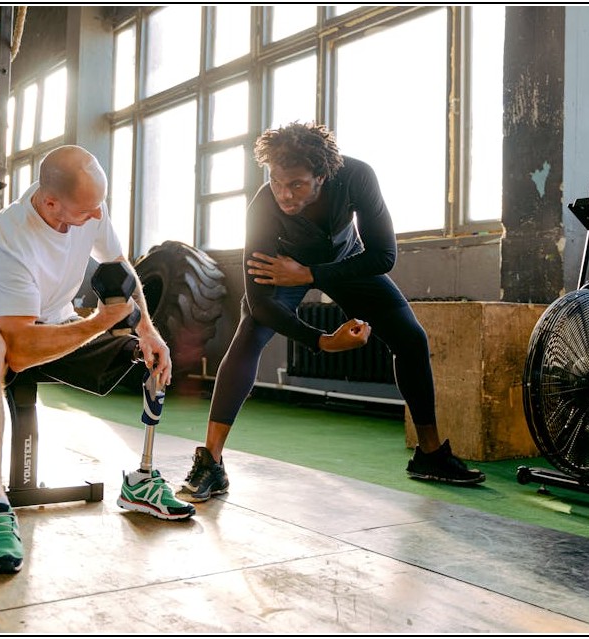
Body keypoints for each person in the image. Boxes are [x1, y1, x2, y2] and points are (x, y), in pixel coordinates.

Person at [177, 122, 485, 503]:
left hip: (345, 263)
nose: (284, 195)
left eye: (297, 185)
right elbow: (260, 303)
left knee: (411, 339)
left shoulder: (357, 176)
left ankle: (431, 455)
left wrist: (310, 273)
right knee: (248, 335)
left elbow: (384, 256)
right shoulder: (263, 206)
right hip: (283, 272)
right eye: (276, 182)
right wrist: (321, 341)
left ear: (322, 176)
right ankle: (211, 461)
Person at [0, 145, 195, 575]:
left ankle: (141, 479)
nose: (96, 218)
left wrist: (149, 331)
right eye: (87, 211)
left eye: (99, 207)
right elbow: (23, 351)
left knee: (148, 351)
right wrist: (102, 321)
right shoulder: (8, 239)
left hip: (59, 318)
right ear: (50, 203)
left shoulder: (88, 207)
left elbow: (119, 264)